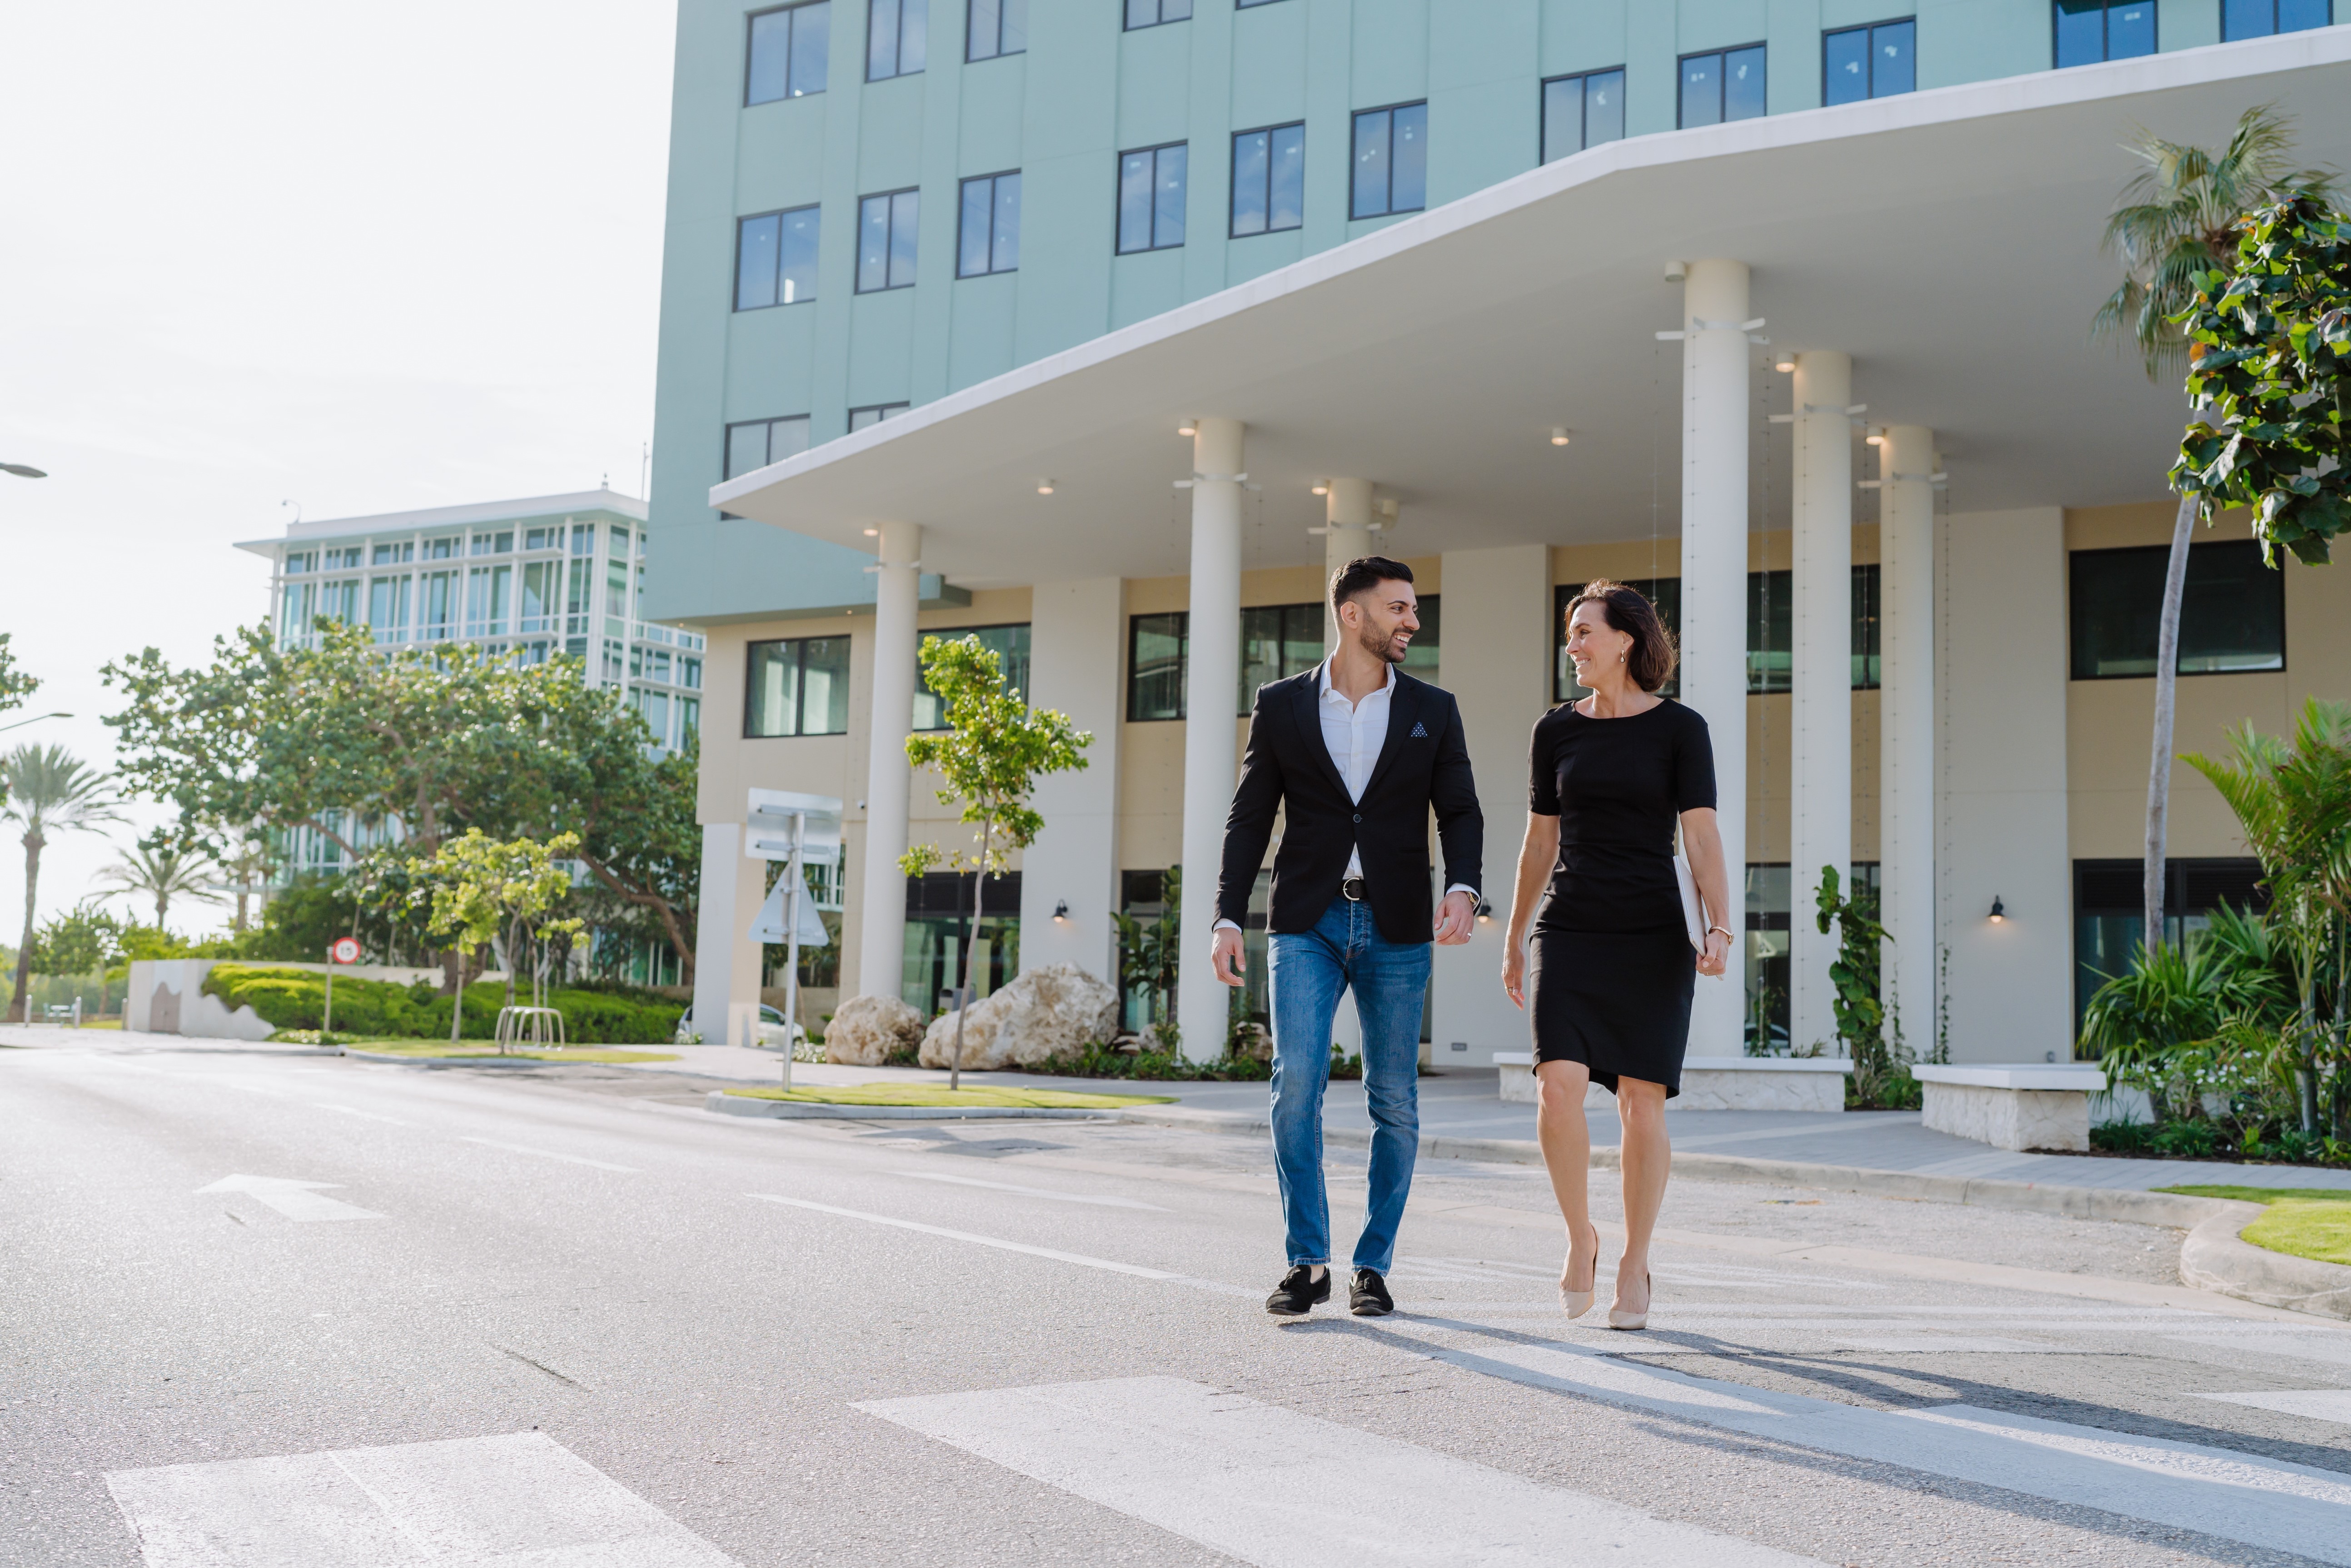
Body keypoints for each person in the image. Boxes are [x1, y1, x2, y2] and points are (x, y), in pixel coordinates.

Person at [1212, 556, 1483, 1320]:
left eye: (1415, 608)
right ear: (1352, 615)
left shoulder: (1433, 707)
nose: (1412, 621)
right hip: (1307, 919)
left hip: (1398, 925)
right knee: (1295, 1082)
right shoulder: (1282, 705)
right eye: (1399, 608)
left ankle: (1372, 1264)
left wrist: (1463, 886)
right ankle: (1307, 1261)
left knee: (1392, 1098)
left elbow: (1459, 811)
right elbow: (1249, 817)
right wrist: (1227, 914)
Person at [1499, 581, 1732, 1331]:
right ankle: (1580, 1238)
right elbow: (1541, 840)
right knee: (1557, 1089)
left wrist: (1721, 925)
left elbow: (1698, 834)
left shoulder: (1680, 729)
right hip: (1569, 926)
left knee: (1641, 1103)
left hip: (1652, 931)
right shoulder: (1554, 731)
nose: (1572, 646)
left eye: (1582, 632)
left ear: (1624, 640)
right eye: (1570, 634)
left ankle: (1634, 1259)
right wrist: (1512, 935)